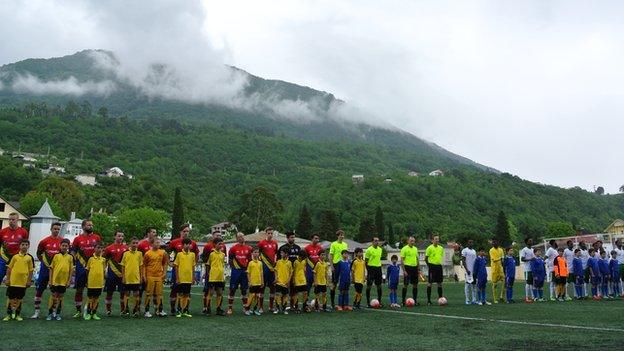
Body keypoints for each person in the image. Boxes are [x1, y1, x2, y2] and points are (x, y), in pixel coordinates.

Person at [31, 222, 62, 319]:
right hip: (45, 270)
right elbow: (39, 253)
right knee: (39, 290)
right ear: (51, 229)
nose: (56, 230)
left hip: (56, 271)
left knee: (55, 292)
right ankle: (36, 312)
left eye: (58, 229)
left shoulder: (62, 241)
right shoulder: (44, 241)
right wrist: (45, 263)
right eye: (55, 229)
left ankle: (53, 312)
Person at [71, 219, 102, 317]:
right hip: (81, 267)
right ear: (83, 226)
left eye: (92, 225)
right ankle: (78, 311)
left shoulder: (97, 237)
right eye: (88, 225)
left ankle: (91, 311)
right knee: (79, 290)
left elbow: (101, 250)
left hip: (93, 268)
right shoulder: (77, 239)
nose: (91, 227)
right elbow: (73, 252)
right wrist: (74, 265)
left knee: (93, 291)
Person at [167, 225, 199, 314]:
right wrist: (169, 262)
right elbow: (167, 252)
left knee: (186, 291)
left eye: (187, 231)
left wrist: (194, 262)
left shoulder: (192, 243)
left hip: (187, 272)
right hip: (177, 270)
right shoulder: (174, 242)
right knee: (174, 290)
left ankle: (185, 309)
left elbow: (197, 253)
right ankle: (173, 309)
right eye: (184, 231)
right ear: (180, 232)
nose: (186, 233)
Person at [2, 239, 33, 321]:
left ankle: (17, 315)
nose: (24, 246)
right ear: (19, 246)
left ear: (28, 246)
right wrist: (8, 279)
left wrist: (29, 281)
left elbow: (31, 270)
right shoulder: (14, 256)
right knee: (10, 298)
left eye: (26, 245)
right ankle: (8, 315)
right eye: (23, 244)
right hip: (13, 282)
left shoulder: (29, 258)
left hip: (22, 283)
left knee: (19, 299)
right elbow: (9, 269)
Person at [48, 239, 74, 320]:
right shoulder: (56, 256)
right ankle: (50, 313)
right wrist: (50, 280)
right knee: (54, 296)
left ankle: (58, 313)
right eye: (63, 245)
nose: (64, 247)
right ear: (60, 246)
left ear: (68, 247)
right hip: (55, 281)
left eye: (66, 246)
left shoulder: (70, 257)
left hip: (64, 281)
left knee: (61, 297)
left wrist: (69, 281)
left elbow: (71, 270)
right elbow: (51, 268)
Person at [0, 213, 29, 285]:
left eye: (13, 219)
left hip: (17, 259)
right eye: (9, 219)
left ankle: (12, 295)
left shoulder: (23, 232)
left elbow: (25, 246)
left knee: (14, 279)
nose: (11, 221)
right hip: (4, 259)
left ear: (17, 220)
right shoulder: (2, 231)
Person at [227, 232, 252, 315]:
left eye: (242, 236)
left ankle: (245, 308)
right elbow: (230, 261)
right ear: (237, 239)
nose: (241, 238)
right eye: (239, 237)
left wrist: (247, 270)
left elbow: (249, 260)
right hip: (236, 272)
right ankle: (230, 308)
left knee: (244, 290)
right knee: (232, 290)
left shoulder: (248, 248)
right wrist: (234, 268)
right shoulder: (233, 248)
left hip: (244, 272)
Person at [103, 230, 128, 315]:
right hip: (111, 274)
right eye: (119, 236)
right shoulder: (109, 248)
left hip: (122, 274)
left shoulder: (126, 248)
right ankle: (108, 310)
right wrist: (104, 270)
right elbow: (104, 260)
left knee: (123, 293)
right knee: (109, 292)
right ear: (115, 237)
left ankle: (122, 310)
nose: (120, 238)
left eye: (122, 236)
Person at [201, 230, 226, 313]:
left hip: (220, 276)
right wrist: (207, 273)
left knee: (220, 292)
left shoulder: (223, 254)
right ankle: (207, 308)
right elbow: (208, 263)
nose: (221, 245)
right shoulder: (211, 253)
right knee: (210, 292)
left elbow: (222, 264)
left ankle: (218, 308)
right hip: (212, 276)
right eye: (219, 244)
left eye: (221, 244)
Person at [142, 238, 169, 317]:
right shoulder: (147, 253)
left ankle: (160, 310)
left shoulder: (162, 253)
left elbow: (165, 263)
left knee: (159, 294)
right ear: (152, 244)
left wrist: (164, 273)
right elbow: (144, 265)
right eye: (156, 243)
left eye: (159, 243)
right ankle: (147, 311)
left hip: (159, 276)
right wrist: (144, 275)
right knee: (148, 294)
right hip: (150, 276)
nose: (158, 244)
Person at [257, 227, 278, 313]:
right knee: (262, 287)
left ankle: (271, 307)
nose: (270, 235)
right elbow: (257, 254)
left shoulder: (275, 243)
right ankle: (261, 307)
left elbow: (276, 255)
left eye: (271, 233)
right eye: (268, 233)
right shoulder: (261, 243)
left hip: (272, 268)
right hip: (264, 268)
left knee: (273, 288)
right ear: (265, 233)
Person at [173, 238, 196, 317]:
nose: (188, 245)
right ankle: (179, 310)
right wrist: (177, 278)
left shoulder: (192, 255)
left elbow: (193, 267)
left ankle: (186, 310)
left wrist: (193, 277)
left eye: (189, 244)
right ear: (183, 245)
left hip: (188, 278)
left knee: (187, 294)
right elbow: (176, 266)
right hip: (181, 278)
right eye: (186, 244)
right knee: (180, 294)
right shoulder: (179, 254)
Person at [121, 237, 144, 317]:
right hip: (127, 278)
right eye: (133, 243)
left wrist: (141, 277)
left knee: (136, 294)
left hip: (136, 278)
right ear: (130, 244)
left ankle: (135, 310)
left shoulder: (139, 254)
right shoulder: (125, 254)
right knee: (126, 293)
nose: (135, 245)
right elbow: (123, 266)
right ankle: (126, 309)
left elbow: (141, 266)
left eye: (136, 243)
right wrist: (123, 277)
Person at [279, 231, 301, 309]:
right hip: (284, 272)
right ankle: (282, 305)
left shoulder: (298, 248)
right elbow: (279, 261)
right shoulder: (282, 248)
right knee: (283, 289)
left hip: (295, 272)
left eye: (294, 237)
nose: (293, 239)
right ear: (287, 238)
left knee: (294, 289)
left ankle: (293, 305)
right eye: (291, 237)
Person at [84, 242, 106, 320]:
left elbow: (103, 271)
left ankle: (94, 313)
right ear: (94, 249)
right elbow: (87, 270)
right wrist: (86, 280)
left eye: (101, 248)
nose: (99, 249)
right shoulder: (91, 259)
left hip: (99, 283)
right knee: (90, 298)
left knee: (96, 298)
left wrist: (104, 280)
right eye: (98, 248)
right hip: (91, 282)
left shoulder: (103, 260)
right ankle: (88, 313)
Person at [137, 227, 157, 302]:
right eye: (153, 232)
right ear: (148, 233)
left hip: (154, 270)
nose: (155, 234)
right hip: (144, 270)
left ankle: (157, 309)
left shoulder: (157, 243)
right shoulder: (141, 243)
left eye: (155, 232)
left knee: (155, 291)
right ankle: (137, 308)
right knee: (141, 289)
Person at [329, 230, 348, 308]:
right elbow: (330, 256)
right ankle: (332, 302)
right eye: (340, 235)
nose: (342, 236)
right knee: (334, 283)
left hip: (343, 265)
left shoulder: (345, 244)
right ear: (337, 236)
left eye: (343, 235)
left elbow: (346, 255)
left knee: (343, 283)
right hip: (336, 265)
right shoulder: (333, 244)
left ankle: (343, 303)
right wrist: (332, 266)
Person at [304, 234, 324, 307]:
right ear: (312, 239)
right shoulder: (307, 248)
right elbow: (304, 259)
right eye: (316, 238)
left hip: (318, 271)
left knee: (318, 287)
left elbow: (322, 258)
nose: (317, 240)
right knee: (308, 286)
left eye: (318, 239)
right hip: (309, 270)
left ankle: (317, 303)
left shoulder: (320, 248)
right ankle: (305, 303)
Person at [400, 236, 420, 306]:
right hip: (407, 268)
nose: (412, 242)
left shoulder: (415, 249)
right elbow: (402, 260)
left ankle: (415, 300)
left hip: (414, 268)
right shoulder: (404, 249)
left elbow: (417, 259)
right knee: (405, 285)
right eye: (411, 241)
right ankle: (403, 301)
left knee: (415, 285)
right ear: (408, 241)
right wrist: (404, 270)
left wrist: (418, 269)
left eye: (413, 241)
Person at [425, 235, 445, 305]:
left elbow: (440, 257)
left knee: (439, 283)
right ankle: (428, 301)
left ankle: (440, 300)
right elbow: (426, 258)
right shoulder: (429, 248)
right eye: (436, 239)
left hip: (439, 266)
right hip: (432, 266)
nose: (437, 240)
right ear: (432, 240)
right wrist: (429, 266)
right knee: (430, 283)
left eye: (438, 239)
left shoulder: (441, 248)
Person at [364, 237, 383, 307]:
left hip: (378, 268)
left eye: (378, 241)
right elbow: (366, 261)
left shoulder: (380, 249)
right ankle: (368, 302)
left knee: (379, 286)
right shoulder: (369, 250)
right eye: (375, 241)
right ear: (372, 242)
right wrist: (368, 270)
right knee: (369, 286)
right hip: (371, 268)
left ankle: (379, 302)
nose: (377, 242)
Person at [274, 249, 292, 314]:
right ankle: (277, 309)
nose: (281, 254)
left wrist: (289, 281)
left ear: (286, 254)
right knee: (277, 295)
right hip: (279, 282)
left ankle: (284, 309)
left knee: (285, 296)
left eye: (282, 253)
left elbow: (291, 273)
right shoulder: (278, 262)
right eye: (281, 253)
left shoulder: (289, 263)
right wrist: (276, 278)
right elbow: (275, 270)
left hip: (286, 282)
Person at [246, 248, 264, 316]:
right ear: (252, 254)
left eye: (257, 252)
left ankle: (254, 309)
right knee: (251, 295)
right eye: (255, 252)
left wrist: (262, 282)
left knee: (257, 296)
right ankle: (247, 309)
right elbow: (248, 273)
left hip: (259, 282)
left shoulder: (260, 263)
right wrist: (249, 282)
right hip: (253, 282)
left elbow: (261, 273)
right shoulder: (250, 263)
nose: (256, 254)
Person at [461, 239, 477, 305]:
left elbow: (475, 261)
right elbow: (463, 260)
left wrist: (475, 270)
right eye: (469, 242)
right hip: (468, 271)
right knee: (467, 285)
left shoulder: (474, 251)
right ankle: (467, 300)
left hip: (473, 271)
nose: (471, 243)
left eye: (472, 242)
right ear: (467, 243)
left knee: (474, 285)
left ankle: (474, 299)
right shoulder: (465, 250)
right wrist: (467, 269)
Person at [519, 238, 535, 303]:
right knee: (528, 283)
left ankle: (533, 297)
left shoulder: (532, 250)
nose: (531, 242)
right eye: (530, 241)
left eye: (531, 241)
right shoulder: (524, 250)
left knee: (531, 283)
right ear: (526, 242)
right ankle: (526, 297)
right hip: (527, 269)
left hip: (532, 269)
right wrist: (530, 259)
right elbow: (522, 259)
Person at [489, 239, 505, 304]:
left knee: (505, 281)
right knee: (495, 284)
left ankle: (502, 296)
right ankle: (495, 299)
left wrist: (502, 261)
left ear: (498, 242)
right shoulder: (491, 250)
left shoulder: (501, 250)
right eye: (493, 242)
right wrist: (500, 259)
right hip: (494, 269)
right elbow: (494, 260)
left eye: (495, 242)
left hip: (500, 269)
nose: (494, 243)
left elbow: (503, 258)